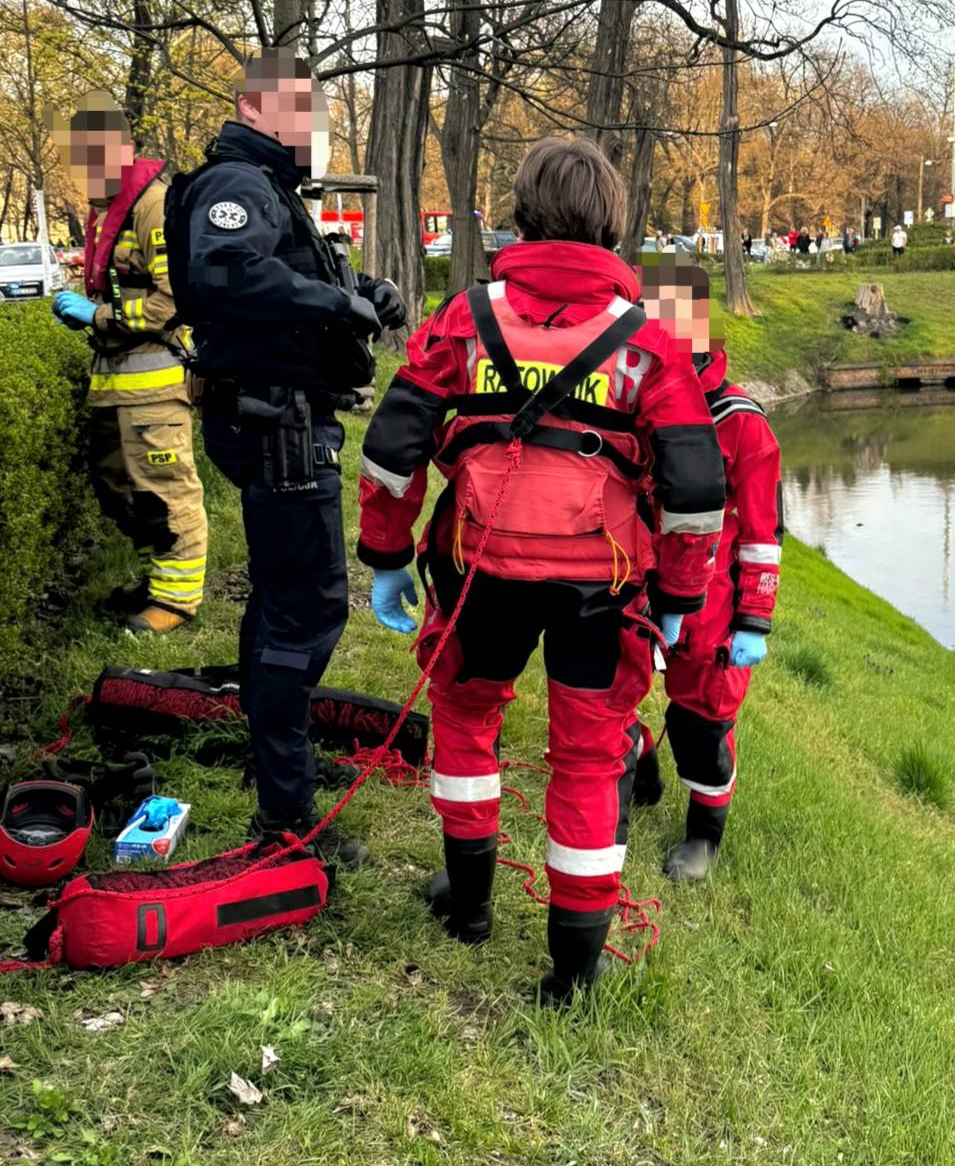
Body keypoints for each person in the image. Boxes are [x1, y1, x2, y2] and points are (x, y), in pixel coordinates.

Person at [356, 138, 726, 1002]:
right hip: (602, 583)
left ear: (520, 213)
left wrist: (386, 555)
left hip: (477, 566)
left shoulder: (463, 318)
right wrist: (679, 593)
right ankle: (574, 969)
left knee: (465, 718)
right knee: (590, 758)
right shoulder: (649, 342)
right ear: (610, 223)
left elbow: (393, 448)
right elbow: (694, 487)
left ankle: (469, 905)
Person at [167, 48, 406, 865]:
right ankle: (286, 816)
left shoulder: (272, 188)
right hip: (276, 427)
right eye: (302, 110)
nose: (315, 127)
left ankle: (281, 755)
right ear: (255, 107)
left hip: (286, 419)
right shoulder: (237, 183)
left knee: (281, 603)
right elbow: (227, 273)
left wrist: (364, 295)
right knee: (303, 609)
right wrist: (335, 301)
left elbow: (290, 283)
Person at [633, 259, 780, 882]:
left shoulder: (740, 421)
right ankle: (636, 756)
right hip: (632, 581)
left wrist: (754, 619)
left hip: (710, 607)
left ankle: (703, 837)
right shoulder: (628, 395)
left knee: (700, 723)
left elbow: (763, 533)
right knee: (603, 689)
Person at [51, 92, 207, 633]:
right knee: (119, 487)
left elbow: (172, 303)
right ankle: (155, 579)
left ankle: (176, 602)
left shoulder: (152, 204)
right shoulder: (105, 208)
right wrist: (91, 312)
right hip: (113, 378)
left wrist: (96, 316)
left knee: (165, 490)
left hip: (155, 381)